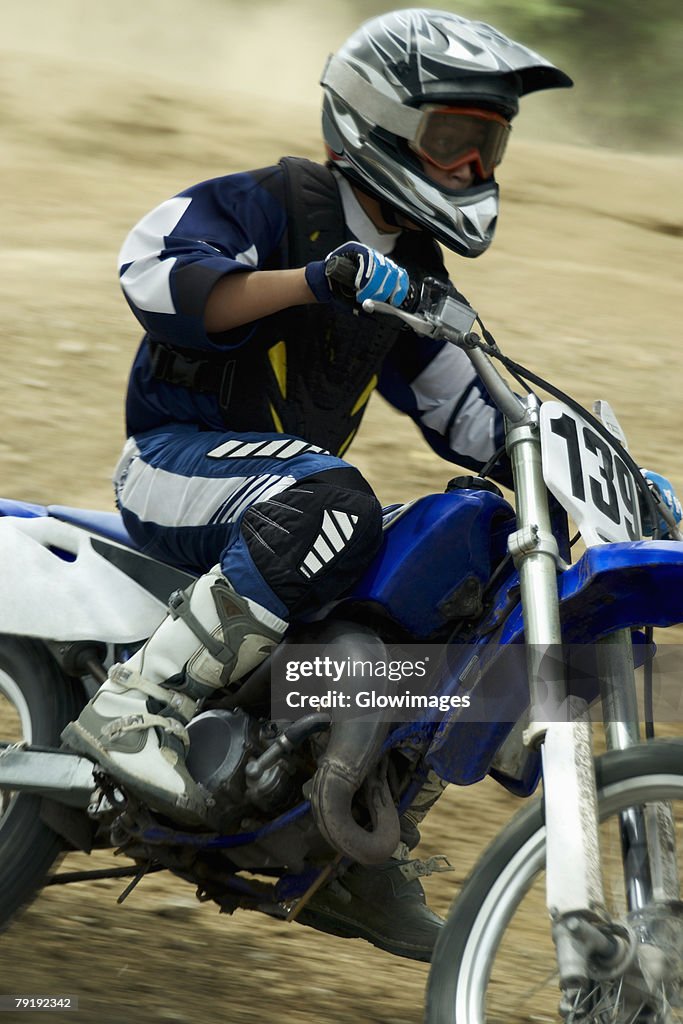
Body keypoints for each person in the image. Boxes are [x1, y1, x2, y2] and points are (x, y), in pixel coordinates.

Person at [62, 9, 573, 960]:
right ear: (377, 121)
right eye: (453, 140)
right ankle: (136, 706)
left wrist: (573, 462)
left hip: (285, 498)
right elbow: (153, 275)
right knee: (334, 494)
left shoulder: (412, 276)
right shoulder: (266, 201)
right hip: (177, 462)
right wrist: (315, 280)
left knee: (464, 545)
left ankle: (357, 842)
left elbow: (469, 407)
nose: (471, 169)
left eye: (487, 146)